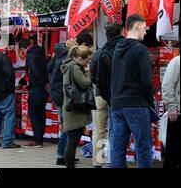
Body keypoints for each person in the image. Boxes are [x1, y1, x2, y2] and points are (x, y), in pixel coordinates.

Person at [110, 14, 154, 168]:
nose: (146, 32)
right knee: (144, 148)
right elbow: (147, 81)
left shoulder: (117, 49)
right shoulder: (140, 50)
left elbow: (114, 77)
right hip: (136, 103)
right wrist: (150, 102)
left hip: (117, 104)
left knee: (118, 147)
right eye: (144, 28)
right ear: (136, 26)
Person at [90, 22, 123, 168]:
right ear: (121, 31)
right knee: (117, 129)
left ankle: (98, 161)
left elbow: (92, 75)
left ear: (107, 35)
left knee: (100, 129)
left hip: (100, 95)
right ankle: (114, 160)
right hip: (118, 95)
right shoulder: (123, 50)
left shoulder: (98, 53)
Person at [61, 45, 93, 168]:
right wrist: (88, 73)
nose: (87, 63)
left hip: (71, 107)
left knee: (71, 140)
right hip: (75, 109)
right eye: (86, 60)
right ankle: (69, 165)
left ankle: (69, 164)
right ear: (79, 58)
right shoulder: (74, 68)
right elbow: (85, 84)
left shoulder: (68, 66)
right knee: (72, 141)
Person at [48, 42, 69, 165]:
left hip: (57, 97)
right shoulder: (63, 61)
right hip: (62, 98)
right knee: (67, 127)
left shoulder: (55, 61)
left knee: (64, 126)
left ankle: (66, 153)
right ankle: (61, 155)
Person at [25, 40, 48, 148]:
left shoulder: (31, 56)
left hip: (36, 89)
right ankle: (40, 138)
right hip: (43, 89)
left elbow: (35, 71)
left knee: (33, 114)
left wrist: (34, 81)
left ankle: (37, 139)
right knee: (41, 114)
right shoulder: (43, 58)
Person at [161, 54, 180, 168]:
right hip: (177, 114)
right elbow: (167, 86)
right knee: (173, 154)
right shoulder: (177, 61)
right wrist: (172, 107)